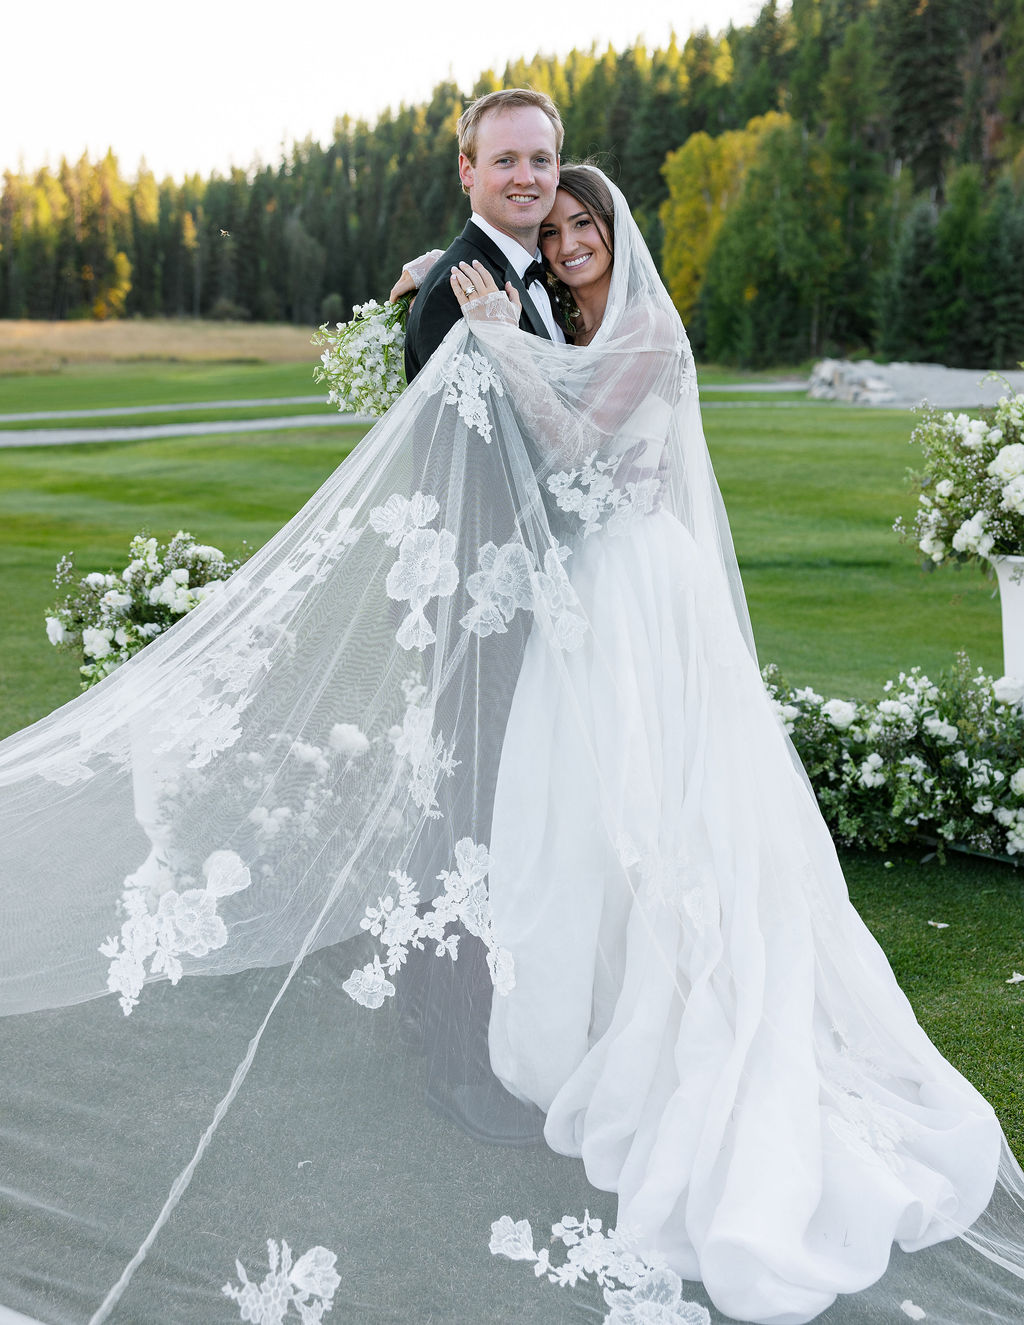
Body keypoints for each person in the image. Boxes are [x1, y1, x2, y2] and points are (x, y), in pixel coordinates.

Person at [1, 152, 1024, 1325]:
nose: (573, 236)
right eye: (562, 223)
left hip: (643, 595)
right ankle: (559, 1009)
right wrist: (453, 278)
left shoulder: (638, 329)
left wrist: (491, 336)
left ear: (616, 234)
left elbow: (579, 450)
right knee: (565, 807)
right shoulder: (551, 301)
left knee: (651, 803)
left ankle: (649, 1018)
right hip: (577, 598)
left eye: (588, 220)